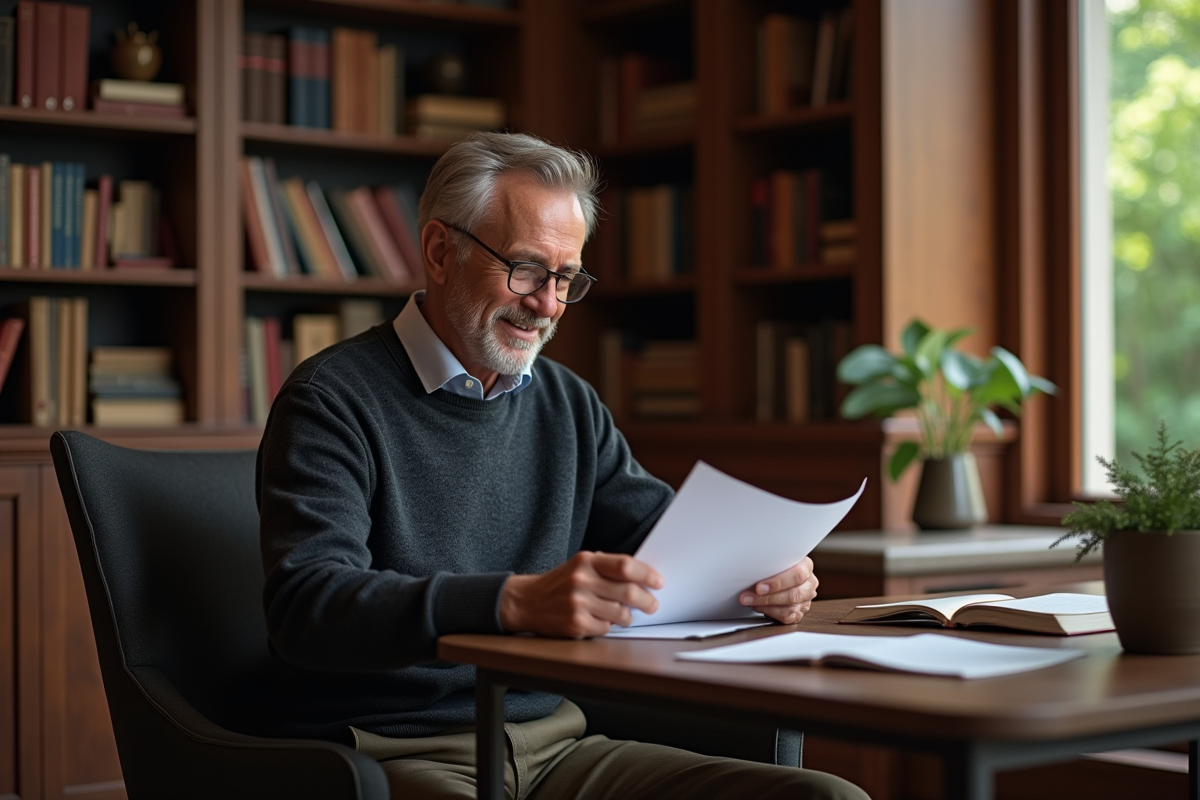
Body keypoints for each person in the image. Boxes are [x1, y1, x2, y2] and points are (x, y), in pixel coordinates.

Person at [256, 131, 869, 800]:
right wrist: (512, 601)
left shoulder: (568, 404)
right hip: (392, 748)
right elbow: (306, 607)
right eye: (525, 270)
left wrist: (763, 573)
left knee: (825, 798)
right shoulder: (331, 400)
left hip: (557, 746)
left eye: (566, 278)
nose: (549, 305)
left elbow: (672, 548)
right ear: (439, 251)